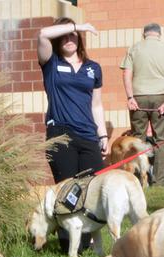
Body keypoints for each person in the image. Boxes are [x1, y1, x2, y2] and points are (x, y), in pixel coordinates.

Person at [38, 18, 108, 184]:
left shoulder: (93, 68)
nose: (69, 39)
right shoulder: (51, 62)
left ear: (79, 39)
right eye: (64, 36)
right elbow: (42, 34)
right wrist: (78, 26)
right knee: (67, 189)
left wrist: (103, 135)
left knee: (92, 188)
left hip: (89, 135)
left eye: (73, 35)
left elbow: (96, 104)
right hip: (61, 134)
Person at [120, 22, 164, 186]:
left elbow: (126, 74)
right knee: (161, 141)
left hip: (138, 98)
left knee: (137, 139)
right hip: (160, 98)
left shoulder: (134, 49)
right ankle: (160, 183)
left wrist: (130, 98)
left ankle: (139, 181)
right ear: (159, 34)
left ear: (144, 34)